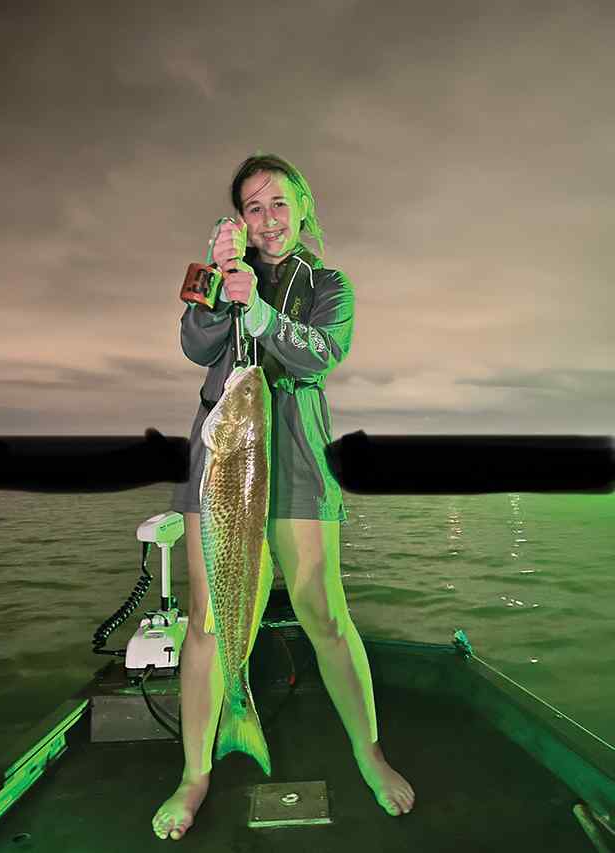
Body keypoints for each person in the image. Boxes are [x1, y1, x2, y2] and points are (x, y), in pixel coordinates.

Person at [152, 152, 415, 841]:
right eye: (252, 207)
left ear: (303, 207)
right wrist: (217, 280)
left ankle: (368, 749)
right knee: (208, 620)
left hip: (294, 448)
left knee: (323, 609)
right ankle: (195, 771)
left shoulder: (329, 284)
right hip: (223, 450)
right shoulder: (211, 273)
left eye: (278, 204)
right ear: (237, 220)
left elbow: (321, 353)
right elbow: (194, 343)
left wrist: (262, 312)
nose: (267, 219)